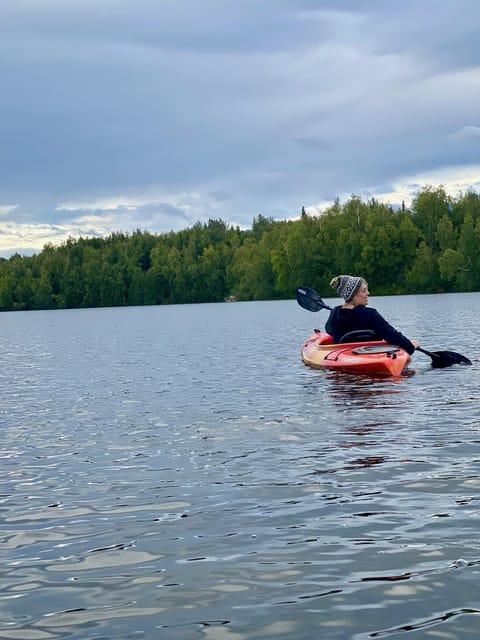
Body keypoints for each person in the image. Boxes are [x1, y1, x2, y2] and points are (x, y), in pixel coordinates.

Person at [325, 275, 419, 354]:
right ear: (353, 295)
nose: (368, 293)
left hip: (344, 354)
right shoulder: (370, 314)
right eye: (364, 291)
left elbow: (329, 330)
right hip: (371, 353)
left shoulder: (335, 313)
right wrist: (410, 346)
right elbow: (391, 334)